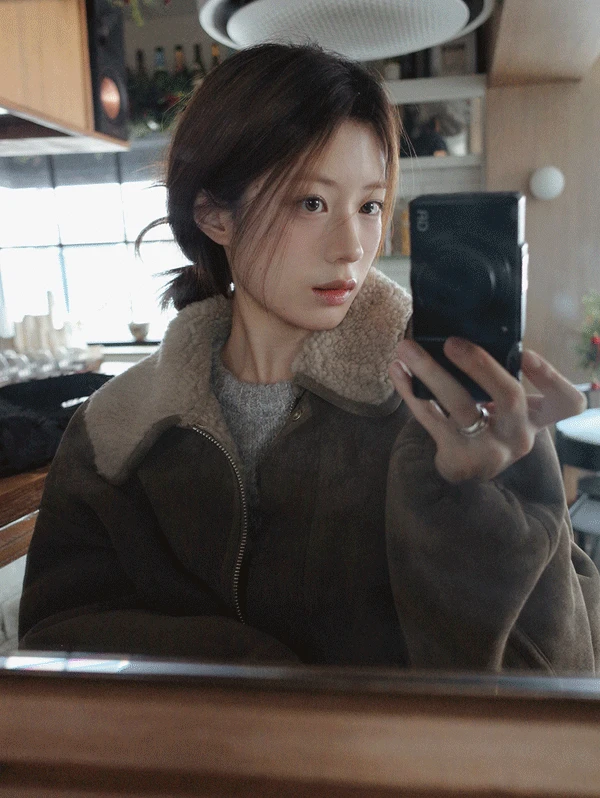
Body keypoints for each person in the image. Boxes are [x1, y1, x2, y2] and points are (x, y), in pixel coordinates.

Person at [18, 43, 599, 673]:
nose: (351, 246)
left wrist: (477, 507)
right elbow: (57, 639)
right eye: (311, 203)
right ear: (214, 214)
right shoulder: (116, 429)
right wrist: (249, 667)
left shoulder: (459, 408)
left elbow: (556, 680)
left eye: (369, 206)